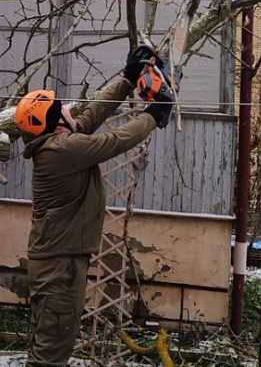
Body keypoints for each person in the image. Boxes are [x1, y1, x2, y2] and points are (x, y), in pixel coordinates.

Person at [14, 45, 174, 366]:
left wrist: (127, 78)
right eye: (64, 108)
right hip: (59, 267)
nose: (72, 110)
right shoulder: (61, 150)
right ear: (58, 123)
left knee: (50, 343)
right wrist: (152, 116)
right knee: (51, 352)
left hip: (59, 262)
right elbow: (111, 142)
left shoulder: (57, 141)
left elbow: (92, 114)